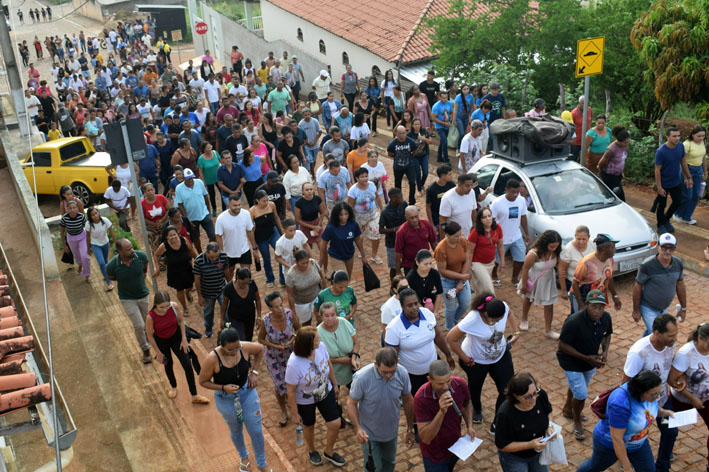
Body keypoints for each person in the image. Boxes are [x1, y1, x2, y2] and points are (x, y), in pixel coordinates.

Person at [198, 327, 270, 472]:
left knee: (256, 430)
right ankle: (244, 457)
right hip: (226, 399)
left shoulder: (243, 347)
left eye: (237, 348)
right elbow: (203, 381)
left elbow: (260, 349)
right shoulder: (212, 359)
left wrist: (254, 372)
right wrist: (223, 387)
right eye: (230, 350)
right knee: (236, 429)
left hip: (247, 393)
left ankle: (262, 464)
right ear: (221, 345)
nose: (235, 352)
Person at [447, 294, 521, 432]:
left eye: (500, 320)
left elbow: (510, 313)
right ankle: (476, 409)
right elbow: (451, 338)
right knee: (475, 388)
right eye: (495, 320)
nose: (498, 322)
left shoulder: (503, 307)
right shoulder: (472, 319)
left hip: (500, 355)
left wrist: (516, 332)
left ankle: (498, 423)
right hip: (476, 361)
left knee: (507, 390)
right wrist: (465, 358)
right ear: (486, 314)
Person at [577, 370, 674, 472]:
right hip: (610, 445)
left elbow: (650, 408)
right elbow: (617, 438)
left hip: (638, 443)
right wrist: (627, 466)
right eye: (654, 394)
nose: (657, 397)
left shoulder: (650, 394)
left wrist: (663, 412)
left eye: (659, 392)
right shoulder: (621, 404)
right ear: (641, 391)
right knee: (593, 467)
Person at [622, 314, 682, 472]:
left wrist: (677, 380)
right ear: (657, 333)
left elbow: (667, 366)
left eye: (676, 334)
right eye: (670, 336)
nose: (675, 339)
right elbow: (626, 383)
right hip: (641, 404)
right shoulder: (639, 352)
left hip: (662, 399)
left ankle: (662, 466)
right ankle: (625, 458)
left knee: (671, 432)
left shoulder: (670, 344)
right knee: (635, 436)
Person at [285, 326, 346, 467]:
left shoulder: (321, 347)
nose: (320, 341)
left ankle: (329, 451)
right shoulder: (293, 364)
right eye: (317, 339)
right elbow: (291, 390)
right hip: (305, 400)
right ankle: (312, 450)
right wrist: (294, 414)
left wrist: (335, 384)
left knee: (335, 423)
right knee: (309, 426)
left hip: (325, 391)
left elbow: (328, 364)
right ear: (308, 344)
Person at [348, 347, 415, 472]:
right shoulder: (362, 377)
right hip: (369, 435)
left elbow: (408, 400)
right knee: (374, 468)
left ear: (398, 362)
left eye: (392, 371)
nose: (389, 376)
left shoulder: (402, 373)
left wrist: (410, 428)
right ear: (375, 364)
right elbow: (351, 403)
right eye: (384, 372)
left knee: (390, 462)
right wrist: (358, 428)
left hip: (391, 433)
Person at [557, 289, 613, 441]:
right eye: (594, 306)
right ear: (587, 305)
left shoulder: (606, 318)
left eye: (600, 307)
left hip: (590, 361)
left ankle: (568, 409)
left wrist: (605, 352)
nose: (597, 311)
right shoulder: (574, 321)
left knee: (578, 387)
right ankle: (576, 420)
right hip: (571, 361)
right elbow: (562, 345)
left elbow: (607, 334)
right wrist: (586, 358)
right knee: (581, 394)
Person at [386, 288, 455, 406]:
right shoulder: (394, 328)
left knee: (441, 394)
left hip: (434, 368)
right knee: (420, 402)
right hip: (413, 375)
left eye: (416, 303)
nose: (414, 308)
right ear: (402, 306)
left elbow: (438, 335)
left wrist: (448, 355)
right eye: (409, 305)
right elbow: (392, 356)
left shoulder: (427, 314)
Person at [147, 290, 209, 404]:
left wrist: (184, 339)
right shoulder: (150, 317)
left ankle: (194, 395)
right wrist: (158, 352)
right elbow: (150, 336)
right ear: (155, 305)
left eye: (167, 306)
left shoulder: (174, 306)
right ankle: (173, 386)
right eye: (161, 307)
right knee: (168, 364)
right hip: (161, 341)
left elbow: (181, 320)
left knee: (187, 365)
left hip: (176, 337)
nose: (165, 310)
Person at [414, 360, 475, 471]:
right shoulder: (421, 398)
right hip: (434, 455)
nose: (446, 387)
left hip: (455, 447)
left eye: (448, 381)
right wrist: (441, 412)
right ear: (429, 379)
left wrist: (469, 426)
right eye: (440, 384)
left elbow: (467, 404)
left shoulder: (460, 384)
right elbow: (426, 438)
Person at [668, 323, 709, 472]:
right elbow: (672, 380)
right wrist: (692, 398)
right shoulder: (686, 354)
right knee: (669, 429)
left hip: (706, 398)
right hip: (682, 399)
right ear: (700, 338)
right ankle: (666, 453)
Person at [257, 290, 301, 427]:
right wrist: (275, 346)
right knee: (279, 385)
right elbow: (260, 339)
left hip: (291, 354)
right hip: (274, 357)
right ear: (270, 308)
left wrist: (291, 341)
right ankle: (283, 411)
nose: (280, 308)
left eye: (281, 305)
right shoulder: (266, 321)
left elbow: (299, 329)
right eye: (276, 307)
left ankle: (295, 406)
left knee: (294, 382)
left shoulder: (289, 314)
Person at [495, 372, 554, 472]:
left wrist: (550, 425)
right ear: (516, 396)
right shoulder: (505, 414)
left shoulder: (541, 395)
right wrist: (530, 445)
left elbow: (548, 411)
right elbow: (502, 445)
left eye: (535, 392)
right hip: (515, 458)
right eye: (528, 397)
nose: (534, 398)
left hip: (538, 454)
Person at [106, 239, 153, 363]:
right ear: (119, 251)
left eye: (132, 247)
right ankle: (145, 349)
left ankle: (148, 337)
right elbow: (110, 276)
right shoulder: (112, 265)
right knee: (139, 325)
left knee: (146, 321)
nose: (132, 250)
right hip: (127, 299)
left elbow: (144, 269)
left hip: (143, 296)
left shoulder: (140, 256)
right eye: (128, 249)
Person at [632, 233, 687, 336]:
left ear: (675, 249)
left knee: (651, 332)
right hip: (648, 307)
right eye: (664, 248)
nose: (667, 251)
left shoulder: (678, 263)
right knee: (658, 335)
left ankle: (641, 345)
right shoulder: (647, 265)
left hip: (664, 308)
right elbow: (638, 286)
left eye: (671, 248)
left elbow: (680, 285)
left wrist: (683, 309)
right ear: (658, 247)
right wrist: (636, 310)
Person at [317, 302, 360, 426]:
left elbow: (356, 343)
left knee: (357, 390)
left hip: (351, 364)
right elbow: (321, 358)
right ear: (321, 317)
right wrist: (341, 360)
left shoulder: (344, 322)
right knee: (334, 395)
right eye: (326, 316)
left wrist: (353, 358)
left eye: (332, 315)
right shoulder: (318, 333)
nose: (330, 318)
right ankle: (338, 418)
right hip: (332, 370)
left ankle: (357, 414)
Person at [517, 230, 562, 339]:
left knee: (549, 305)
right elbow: (525, 270)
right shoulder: (533, 254)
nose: (553, 249)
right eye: (551, 246)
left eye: (556, 246)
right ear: (545, 243)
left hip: (548, 282)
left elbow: (559, 267)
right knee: (528, 299)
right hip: (534, 280)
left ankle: (548, 330)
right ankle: (524, 318)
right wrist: (524, 285)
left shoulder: (556, 253)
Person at [490, 179, 529, 286]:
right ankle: (494, 276)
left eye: (517, 192)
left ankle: (514, 279)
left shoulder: (521, 200)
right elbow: (491, 221)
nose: (515, 195)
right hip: (501, 238)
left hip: (516, 236)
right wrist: (492, 236)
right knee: (497, 260)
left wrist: (526, 234)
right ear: (506, 190)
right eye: (513, 192)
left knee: (521, 258)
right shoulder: (497, 203)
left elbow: (523, 217)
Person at [434, 221, 472, 329]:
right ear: (447, 235)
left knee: (465, 303)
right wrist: (461, 277)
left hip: (462, 277)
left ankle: (455, 318)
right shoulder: (441, 249)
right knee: (451, 306)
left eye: (460, 235)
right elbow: (443, 270)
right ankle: (450, 326)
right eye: (456, 236)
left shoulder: (463, 241)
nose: (459, 238)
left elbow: (467, 261)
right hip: (447, 282)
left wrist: (461, 282)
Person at [152, 226, 196, 315]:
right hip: (175, 272)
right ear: (167, 237)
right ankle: (185, 308)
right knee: (180, 290)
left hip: (187, 268)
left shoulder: (184, 240)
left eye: (174, 234)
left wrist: (199, 261)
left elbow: (192, 252)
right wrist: (157, 268)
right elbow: (156, 255)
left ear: (177, 234)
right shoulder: (164, 246)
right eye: (170, 235)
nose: (173, 237)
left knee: (190, 286)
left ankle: (187, 293)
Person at [654, 127, 691, 234]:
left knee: (678, 202)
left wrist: (688, 177)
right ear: (667, 137)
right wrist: (659, 187)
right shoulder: (661, 151)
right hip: (664, 183)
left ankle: (666, 220)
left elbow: (683, 162)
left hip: (676, 181)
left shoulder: (680, 146)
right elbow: (657, 170)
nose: (677, 138)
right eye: (674, 136)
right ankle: (660, 225)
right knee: (662, 205)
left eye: (678, 136)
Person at [572, 233, 622, 312]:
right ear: (603, 249)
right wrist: (581, 305)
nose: (615, 249)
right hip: (582, 296)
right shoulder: (586, 262)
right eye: (612, 247)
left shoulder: (610, 260)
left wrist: (614, 296)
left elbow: (609, 278)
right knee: (580, 318)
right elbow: (575, 283)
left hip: (597, 296)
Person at [215, 195, 259, 281]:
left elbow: (250, 231)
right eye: (235, 205)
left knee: (246, 275)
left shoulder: (246, 214)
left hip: (244, 250)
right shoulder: (221, 219)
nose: (238, 207)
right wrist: (221, 253)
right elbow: (218, 236)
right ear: (228, 205)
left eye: (239, 205)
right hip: (228, 253)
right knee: (229, 276)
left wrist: (254, 248)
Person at [320, 202, 368, 277]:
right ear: (336, 215)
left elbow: (358, 239)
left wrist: (363, 256)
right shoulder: (330, 228)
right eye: (341, 215)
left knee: (347, 278)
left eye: (346, 214)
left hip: (349, 256)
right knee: (343, 277)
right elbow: (323, 244)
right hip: (336, 257)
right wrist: (321, 261)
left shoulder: (353, 224)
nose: (344, 217)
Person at [347, 167, 383, 264]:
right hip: (359, 218)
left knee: (376, 235)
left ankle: (374, 255)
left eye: (366, 176)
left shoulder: (372, 185)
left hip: (373, 215)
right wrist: (351, 219)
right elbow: (350, 206)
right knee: (359, 237)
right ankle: (361, 251)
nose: (365, 178)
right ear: (357, 178)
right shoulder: (353, 191)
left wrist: (382, 209)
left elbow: (377, 197)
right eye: (362, 177)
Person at [193, 242, 229, 338]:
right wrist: (200, 296)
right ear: (206, 252)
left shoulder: (223, 256)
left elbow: (226, 271)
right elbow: (197, 279)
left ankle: (227, 329)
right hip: (207, 292)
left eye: (216, 257)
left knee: (226, 311)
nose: (214, 259)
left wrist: (230, 285)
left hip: (221, 289)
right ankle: (208, 328)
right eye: (211, 257)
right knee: (208, 313)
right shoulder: (199, 261)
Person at [250, 190, 285, 287]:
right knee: (266, 258)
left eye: (267, 200)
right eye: (263, 201)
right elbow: (250, 229)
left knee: (281, 253)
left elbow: (276, 218)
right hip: (261, 238)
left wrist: (282, 231)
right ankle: (270, 279)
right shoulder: (252, 211)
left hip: (273, 233)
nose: (266, 203)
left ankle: (282, 279)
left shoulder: (272, 205)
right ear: (257, 200)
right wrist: (254, 244)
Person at [174, 168, 214, 254]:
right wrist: (186, 218)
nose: (191, 180)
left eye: (192, 177)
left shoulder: (199, 182)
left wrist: (209, 212)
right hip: (191, 217)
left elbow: (206, 197)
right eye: (188, 178)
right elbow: (180, 205)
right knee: (195, 237)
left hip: (204, 214)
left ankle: (210, 251)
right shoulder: (179, 188)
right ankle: (200, 253)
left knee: (212, 234)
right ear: (184, 178)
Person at [558, 225, 595, 315]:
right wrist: (563, 290)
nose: (581, 242)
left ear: (588, 237)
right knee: (576, 310)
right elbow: (562, 270)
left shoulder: (593, 244)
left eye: (584, 239)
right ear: (575, 236)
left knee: (591, 308)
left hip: (590, 284)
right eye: (578, 239)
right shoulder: (568, 249)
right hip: (574, 284)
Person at [468, 207, 504, 296]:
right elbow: (470, 252)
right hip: (477, 264)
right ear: (480, 220)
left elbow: (500, 246)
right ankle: (492, 303)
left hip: (491, 263)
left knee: (481, 290)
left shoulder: (497, 228)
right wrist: (468, 268)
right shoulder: (475, 232)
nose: (488, 219)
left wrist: (502, 263)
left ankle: (478, 303)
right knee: (489, 290)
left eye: (489, 216)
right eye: (484, 217)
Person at [674, 125, 706, 225]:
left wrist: (705, 172)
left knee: (695, 196)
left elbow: (703, 157)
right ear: (693, 135)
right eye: (699, 136)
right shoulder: (686, 144)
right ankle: (677, 213)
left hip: (698, 170)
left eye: (703, 136)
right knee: (687, 195)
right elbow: (682, 162)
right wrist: (686, 177)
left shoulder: (702, 143)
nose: (701, 138)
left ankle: (687, 217)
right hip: (687, 169)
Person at [285, 249, 326, 326]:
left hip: (317, 297)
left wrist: (325, 293)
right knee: (306, 323)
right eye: (302, 263)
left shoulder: (313, 263)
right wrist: (293, 312)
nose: (305, 265)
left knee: (321, 318)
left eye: (307, 262)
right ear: (296, 262)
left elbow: (322, 278)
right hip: (301, 303)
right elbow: (290, 295)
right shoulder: (291, 275)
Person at [219, 268, 261, 341]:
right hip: (236, 318)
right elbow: (224, 304)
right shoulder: (229, 287)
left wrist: (259, 317)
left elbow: (257, 300)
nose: (245, 285)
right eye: (243, 283)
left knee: (248, 338)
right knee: (241, 339)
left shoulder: (252, 284)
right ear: (238, 278)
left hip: (250, 316)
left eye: (247, 283)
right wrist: (222, 319)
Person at [394, 205, 437, 276]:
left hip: (426, 263)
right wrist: (398, 271)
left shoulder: (426, 225)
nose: (415, 220)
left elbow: (433, 242)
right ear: (406, 217)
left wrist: (439, 258)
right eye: (411, 218)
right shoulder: (401, 232)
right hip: (410, 266)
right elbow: (397, 252)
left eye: (416, 216)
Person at [439, 173, 478, 242]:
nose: (470, 188)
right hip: (454, 238)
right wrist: (443, 241)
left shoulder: (472, 193)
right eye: (467, 185)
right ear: (459, 185)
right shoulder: (447, 198)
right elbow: (442, 221)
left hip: (468, 236)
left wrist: (475, 226)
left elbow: (473, 211)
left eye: (471, 185)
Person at [85, 207, 116, 291]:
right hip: (95, 245)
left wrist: (116, 244)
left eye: (96, 213)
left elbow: (111, 232)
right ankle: (109, 282)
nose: (95, 216)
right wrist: (88, 248)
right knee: (101, 263)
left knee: (105, 261)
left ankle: (106, 275)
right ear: (90, 217)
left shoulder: (105, 220)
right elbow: (87, 236)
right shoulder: (88, 224)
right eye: (92, 215)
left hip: (105, 243)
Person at [379, 188, 407, 280]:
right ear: (393, 198)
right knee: (394, 267)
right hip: (392, 242)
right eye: (399, 197)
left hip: (405, 239)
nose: (402, 199)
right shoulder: (385, 212)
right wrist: (395, 229)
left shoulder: (404, 204)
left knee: (407, 262)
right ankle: (393, 284)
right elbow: (381, 230)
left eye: (401, 196)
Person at [597, 125, 631, 201]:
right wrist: (602, 175)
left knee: (615, 197)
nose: (627, 144)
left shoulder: (624, 146)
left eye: (628, 142)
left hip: (617, 176)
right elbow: (600, 164)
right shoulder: (611, 150)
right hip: (609, 176)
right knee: (619, 198)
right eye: (625, 143)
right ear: (619, 141)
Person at [387, 125, 418, 205]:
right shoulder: (393, 143)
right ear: (397, 134)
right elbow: (389, 153)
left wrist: (410, 157)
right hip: (398, 167)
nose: (403, 135)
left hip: (409, 165)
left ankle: (412, 201)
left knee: (412, 183)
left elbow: (415, 151)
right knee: (397, 185)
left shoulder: (410, 141)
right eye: (401, 133)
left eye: (404, 133)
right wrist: (396, 158)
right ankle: (399, 201)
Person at [295, 182, 328, 252]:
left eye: (311, 189)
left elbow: (322, 213)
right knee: (308, 251)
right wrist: (313, 227)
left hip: (317, 224)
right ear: (302, 191)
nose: (309, 191)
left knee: (323, 249)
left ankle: (323, 260)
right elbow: (298, 220)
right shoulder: (299, 203)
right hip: (305, 226)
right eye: (307, 190)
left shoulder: (317, 199)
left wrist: (318, 226)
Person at [426, 165, 455, 239]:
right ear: (443, 175)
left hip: (450, 219)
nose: (452, 176)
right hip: (437, 221)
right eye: (449, 174)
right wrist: (432, 225)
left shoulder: (452, 185)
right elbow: (428, 207)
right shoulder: (431, 189)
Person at [141, 183, 170, 256]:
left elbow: (168, 209)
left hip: (164, 223)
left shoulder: (161, 197)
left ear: (154, 190)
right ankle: (158, 258)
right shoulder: (142, 203)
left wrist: (162, 221)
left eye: (151, 190)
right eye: (148, 190)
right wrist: (154, 224)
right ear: (145, 192)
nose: (150, 192)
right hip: (151, 227)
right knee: (152, 240)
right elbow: (143, 218)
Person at [380, 275, 409, 344]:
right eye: (402, 287)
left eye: (407, 286)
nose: (406, 289)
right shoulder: (388, 307)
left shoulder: (411, 299)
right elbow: (386, 329)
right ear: (395, 290)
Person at [197, 142, 221, 216]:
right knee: (212, 195)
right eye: (208, 148)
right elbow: (200, 172)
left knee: (222, 192)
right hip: (208, 180)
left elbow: (220, 162)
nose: (210, 148)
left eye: (210, 146)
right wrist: (203, 183)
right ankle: (214, 209)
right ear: (204, 150)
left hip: (219, 178)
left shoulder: (215, 153)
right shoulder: (201, 159)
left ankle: (225, 207)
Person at [431, 91, 453, 163]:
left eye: (446, 97)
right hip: (439, 126)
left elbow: (451, 113)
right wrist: (443, 123)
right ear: (439, 97)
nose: (445, 99)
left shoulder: (449, 103)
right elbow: (433, 118)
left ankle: (439, 157)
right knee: (445, 141)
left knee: (442, 141)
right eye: (443, 98)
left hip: (447, 125)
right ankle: (446, 160)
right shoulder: (436, 106)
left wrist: (450, 121)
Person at [570, 96, 592, 161]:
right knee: (573, 160)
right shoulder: (573, 113)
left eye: (586, 103)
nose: (585, 105)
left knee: (585, 160)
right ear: (579, 103)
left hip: (586, 141)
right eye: (583, 103)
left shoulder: (589, 110)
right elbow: (570, 128)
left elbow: (590, 121)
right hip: (576, 142)